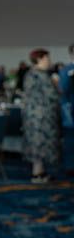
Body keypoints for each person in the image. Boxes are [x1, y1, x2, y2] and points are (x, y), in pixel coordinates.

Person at [22, 49, 61, 183]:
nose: (49, 61)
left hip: (33, 116)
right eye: (47, 58)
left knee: (37, 145)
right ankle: (37, 175)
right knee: (40, 145)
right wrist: (57, 85)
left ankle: (39, 172)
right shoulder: (41, 75)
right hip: (41, 117)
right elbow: (52, 95)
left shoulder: (30, 73)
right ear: (40, 59)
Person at [60, 44, 74, 177]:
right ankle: (70, 166)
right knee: (70, 139)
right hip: (70, 109)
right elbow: (62, 91)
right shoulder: (66, 70)